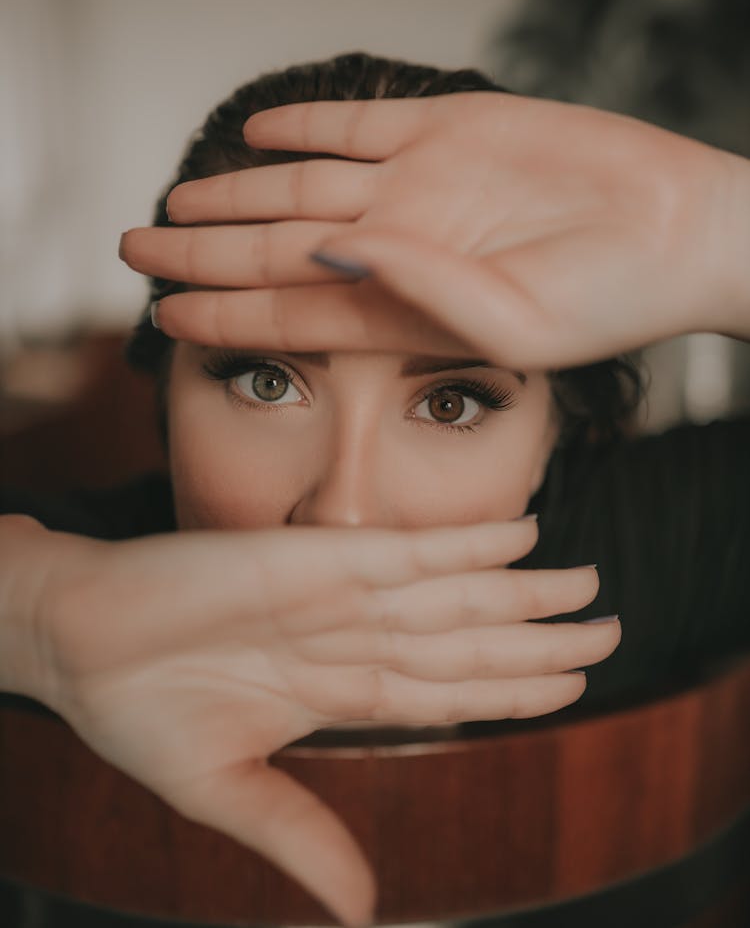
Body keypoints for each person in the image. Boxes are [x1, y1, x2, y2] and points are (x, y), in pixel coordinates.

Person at [2, 53, 748, 927]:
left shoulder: (641, 549)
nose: (342, 513)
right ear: (162, 393)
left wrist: (714, 228)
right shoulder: (77, 576)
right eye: (267, 383)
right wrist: (31, 616)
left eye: (449, 400)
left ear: (558, 437)